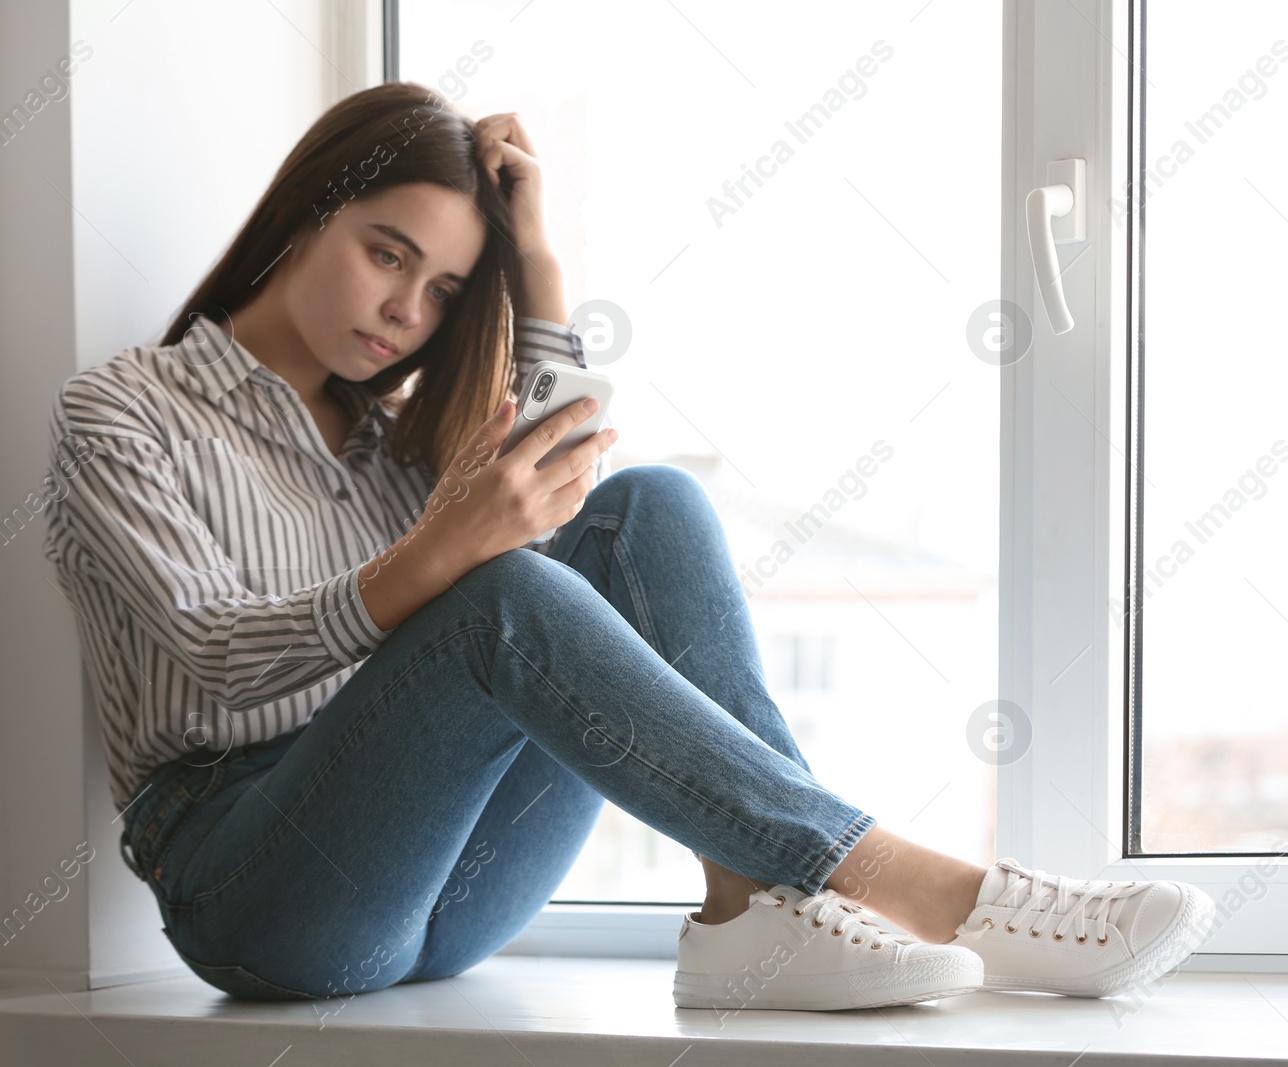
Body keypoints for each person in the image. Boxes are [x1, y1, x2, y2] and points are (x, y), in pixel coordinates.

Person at [42, 80, 1216, 1014]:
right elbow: (207, 655)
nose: (409, 311)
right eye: (387, 252)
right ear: (302, 214)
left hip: (444, 887)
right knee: (498, 586)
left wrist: (538, 263)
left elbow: (561, 474)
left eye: (447, 288)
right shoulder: (123, 411)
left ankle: (746, 908)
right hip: (262, 896)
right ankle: (933, 890)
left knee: (645, 504)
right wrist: (439, 554)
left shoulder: (396, 445)